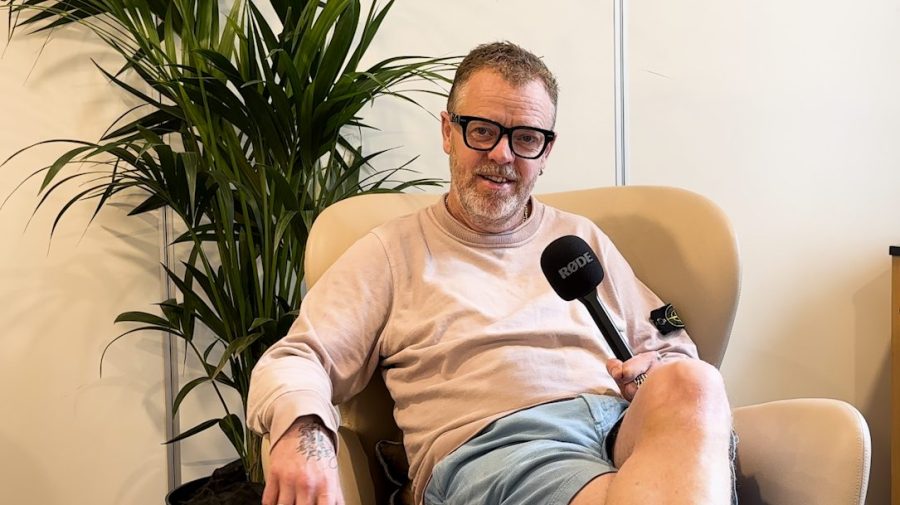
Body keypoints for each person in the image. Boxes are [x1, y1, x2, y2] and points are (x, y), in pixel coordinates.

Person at [248, 41, 735, 505]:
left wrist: (655, 370)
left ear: (546, 151)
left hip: (616, 425)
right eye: (482, 131)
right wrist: (303, 432)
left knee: (695, 385)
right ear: (447, 132)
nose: (502, 155)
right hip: (500, 447)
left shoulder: (578, 238)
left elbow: (668, 339)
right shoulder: (390, 253)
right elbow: (296, 358)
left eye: (526, 138)